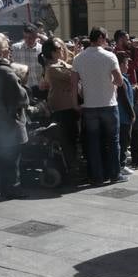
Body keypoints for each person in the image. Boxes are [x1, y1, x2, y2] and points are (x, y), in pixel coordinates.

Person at [75, 27, 125, 185]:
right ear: (101, 38)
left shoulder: (78, 58)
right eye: (106, 38)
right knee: (113, 141)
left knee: (93, 142)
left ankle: (96, 177)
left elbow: (73, 83)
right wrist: (112, 85)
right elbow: (119, 80)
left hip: (89, 105)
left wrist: (75, 103)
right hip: (109, 104)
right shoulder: (109, 56)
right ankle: (115, 174)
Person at [0, 34, 29, 199]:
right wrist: (23, 87)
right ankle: (13, 188)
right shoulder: (6, 71)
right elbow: (21, 97)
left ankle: (5, 187)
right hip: (10, 120)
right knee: (12, 157)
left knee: (4, 157)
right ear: (1, 51)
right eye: (7, 48)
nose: (9, 50)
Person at [43, 37, 82, 177]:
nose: (62, 50)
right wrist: (77, 58)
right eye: (59, 49)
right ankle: (71, 168)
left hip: (70, 105)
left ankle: (74, 165)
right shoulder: (52, 68)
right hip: (62, 107)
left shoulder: (61, 63)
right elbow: (73, 75)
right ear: (52, 53)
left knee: (74, 136)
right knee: (67, 138)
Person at [13, 24, 45, 96]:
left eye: (31, 37)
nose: (27, 40)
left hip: (38, 89)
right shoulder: (16, 48)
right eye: (25, 37)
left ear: (36, 36)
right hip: (21, 89)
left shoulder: (42, 50)